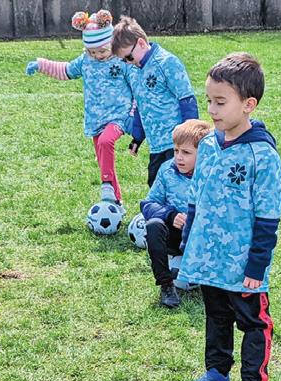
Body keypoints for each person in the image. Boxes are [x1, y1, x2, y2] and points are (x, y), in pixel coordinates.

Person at [178, 53, 281, 381]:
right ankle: (217, 373)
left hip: (243, 264)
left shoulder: (261, 155)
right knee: (216, 316)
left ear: (248, 104)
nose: (211, 109)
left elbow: (268, 215)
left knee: (253, 323)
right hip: (210, 258)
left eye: (220, 102)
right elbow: (196, 198)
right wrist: (190, 241)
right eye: (209, 100)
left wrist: (257, 264)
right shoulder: (208, 145)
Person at [26, 9, 134, 209]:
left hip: (119, 116)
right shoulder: (86, 61)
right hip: (95, 119)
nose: (98, 55)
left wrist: (132, 114)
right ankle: (116, 201)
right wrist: (41, 65)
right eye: (93, 52)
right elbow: (65, 70)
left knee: (106, 141)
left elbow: (136, 86)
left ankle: (106, 185)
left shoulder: (122, 61)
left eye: (102, 51)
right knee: (103, 160)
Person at [111, 16, 199, 187]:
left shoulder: (166, 63)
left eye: (129, 57)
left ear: (141, 43)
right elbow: (140, 106)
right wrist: (137, 138)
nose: (128, 63)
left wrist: (190, 137)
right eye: (124, 60)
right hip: (156, 146)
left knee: (180, 187)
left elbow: (186, 99)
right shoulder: (134, 71)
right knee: (156, 185)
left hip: (176, 145)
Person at [140, 119, 212, 308]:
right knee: (153, 225)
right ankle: (166, 286)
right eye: (176, 150)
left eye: (186, 152)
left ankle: (213, 284)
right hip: (175, 236)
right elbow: (147, 204)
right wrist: (170, 215)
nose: (179, 157)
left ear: (203, 154)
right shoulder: (167, 170)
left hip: (202, 238)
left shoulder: (212, 175)